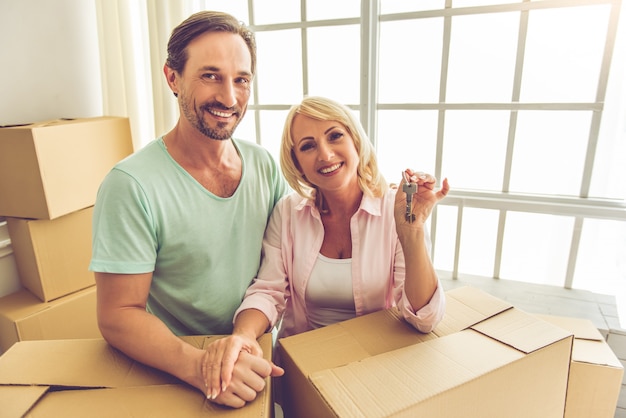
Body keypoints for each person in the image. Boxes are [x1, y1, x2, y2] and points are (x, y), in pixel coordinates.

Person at [89, 11, 288, 408]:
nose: (230, 98)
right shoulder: (131, 185)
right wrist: (201, 366)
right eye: (210, 75)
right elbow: (118, 313)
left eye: (241, 79)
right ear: (172, 78)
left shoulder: (264, 165)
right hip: (176, 365)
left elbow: (284, 261)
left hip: (253, 351)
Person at [203, 96, 450, 397]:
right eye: (308, 146)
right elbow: (268, 291)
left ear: (356, 141)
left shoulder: (395, 209)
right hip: (306, 370)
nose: (326, 154)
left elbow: (424, 319)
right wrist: (242, 336)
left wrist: (411, 232)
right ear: (297, 163)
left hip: (376, 369)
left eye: (335, 136)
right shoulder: (288, 213)